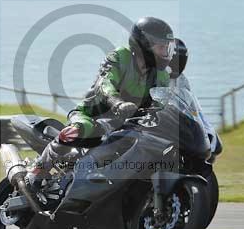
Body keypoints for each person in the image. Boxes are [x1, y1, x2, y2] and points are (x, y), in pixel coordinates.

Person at [25, 16, 177, 188]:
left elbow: (164, 101)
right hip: (92, 115)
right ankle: (38, 168)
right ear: (144, 45)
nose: (165, 52)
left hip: (130, 125)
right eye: (161, 47)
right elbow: (105, 84)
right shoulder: (120, 56)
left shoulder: (161, 75)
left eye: (167, 47)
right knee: (78, 130)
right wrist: (117, 102)